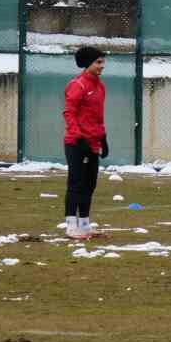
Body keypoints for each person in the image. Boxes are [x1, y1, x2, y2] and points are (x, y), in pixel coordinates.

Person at [62, 46, 108, 241]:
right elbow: (69, 113)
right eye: (98, 62)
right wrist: (77, 136)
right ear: (88, 63)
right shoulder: (77, 85)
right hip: (77, 143)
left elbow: (97, 117)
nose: (102, 66)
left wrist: (103, 138)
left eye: (102, 62)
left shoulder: (100, 86)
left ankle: (84, 225)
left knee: (90, 185)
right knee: (76, 184)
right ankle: (71, 226)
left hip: (93, 143)